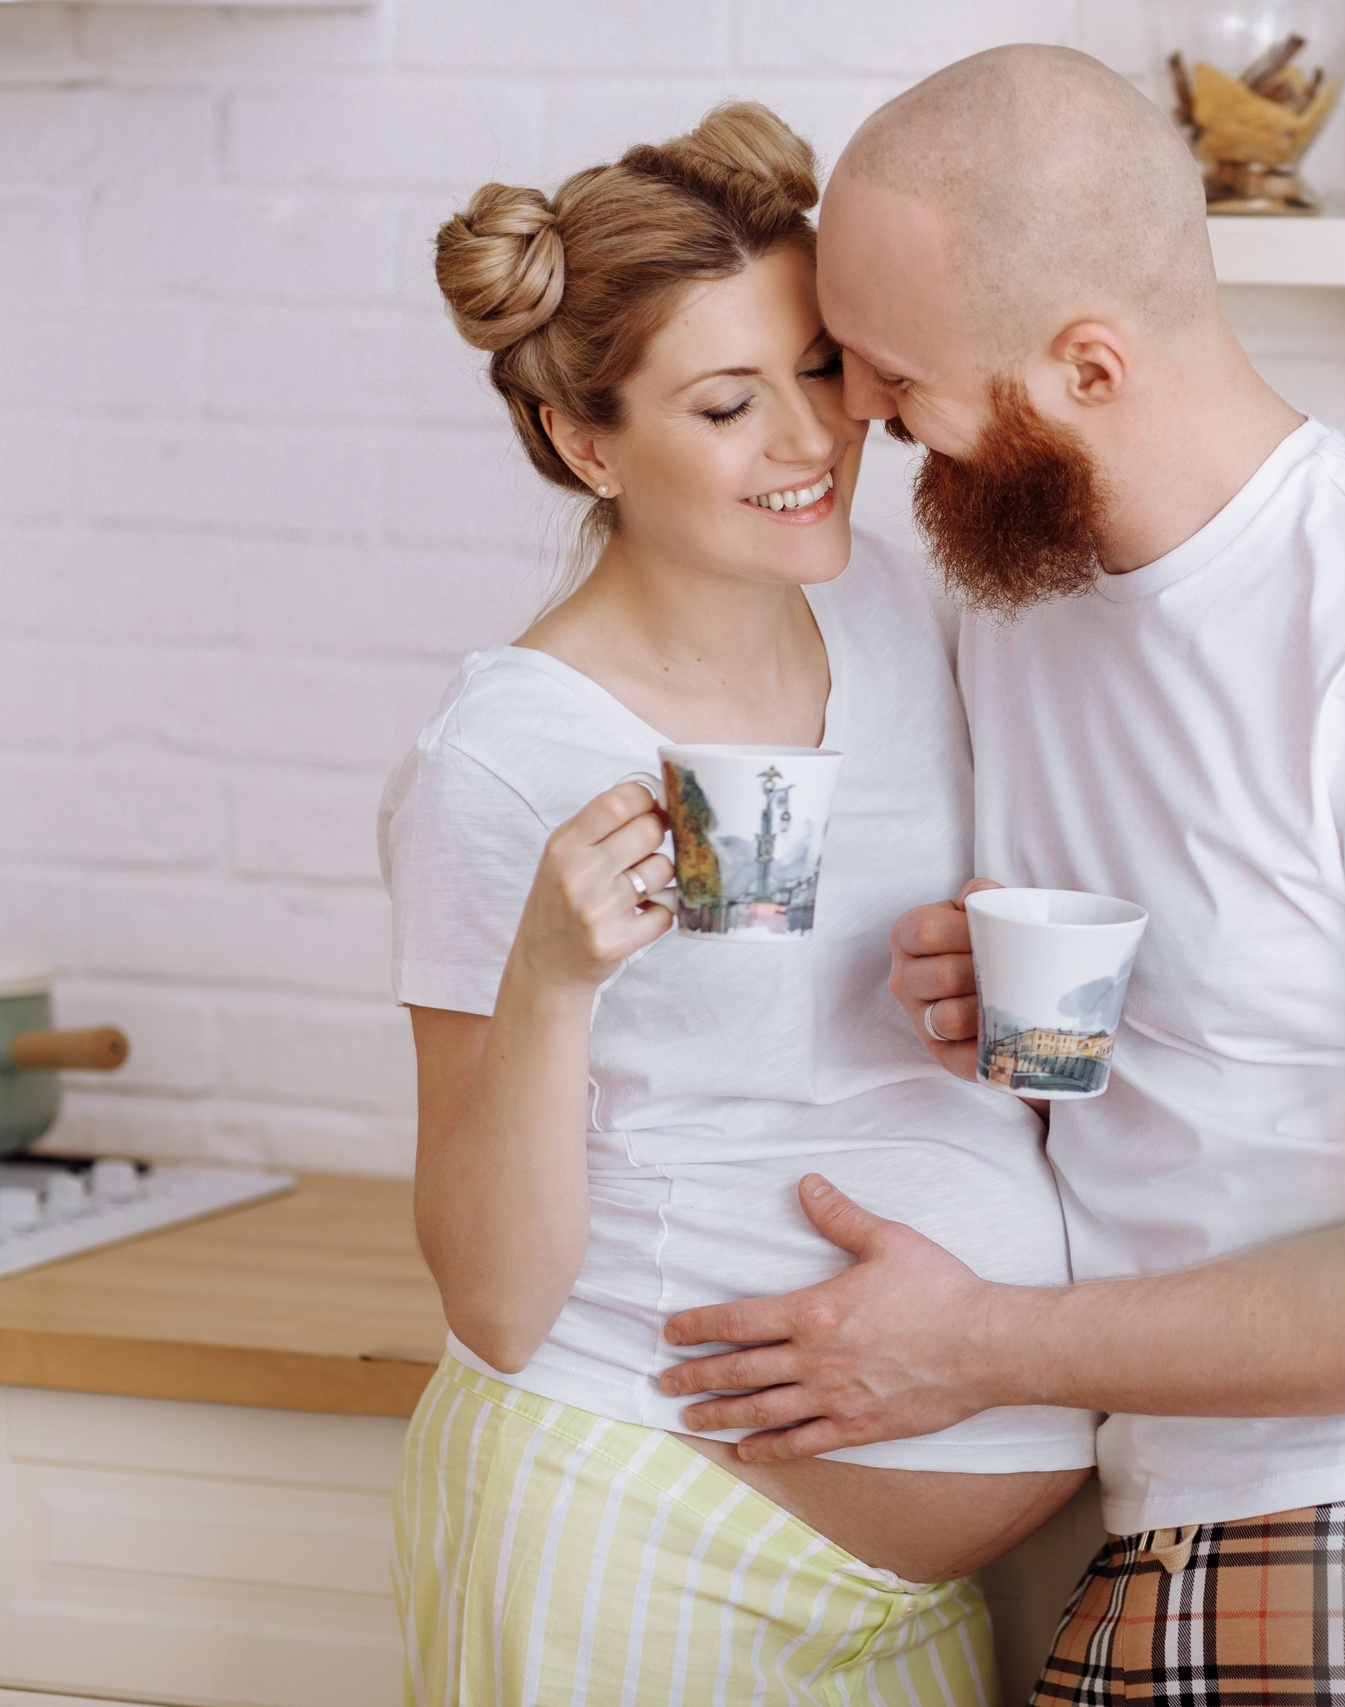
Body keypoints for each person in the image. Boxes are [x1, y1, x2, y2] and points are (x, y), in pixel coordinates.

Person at [656, 52, 1345, 1705]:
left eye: (890, 371)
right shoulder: (1020, 593)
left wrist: (969, 1349)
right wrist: (971, 989)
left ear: (1089, 363)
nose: (859, 418)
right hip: (1204, 1497)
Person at [379, 104, 1091, 1707]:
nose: (811, 440)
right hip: (635, 1517)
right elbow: (491, 1297)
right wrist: (552, 980)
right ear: (588, 442)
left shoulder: (898, 605)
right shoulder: (513, 755)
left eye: (821, 371)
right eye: (726, 403)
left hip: (905, 1601)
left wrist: (982, 971)